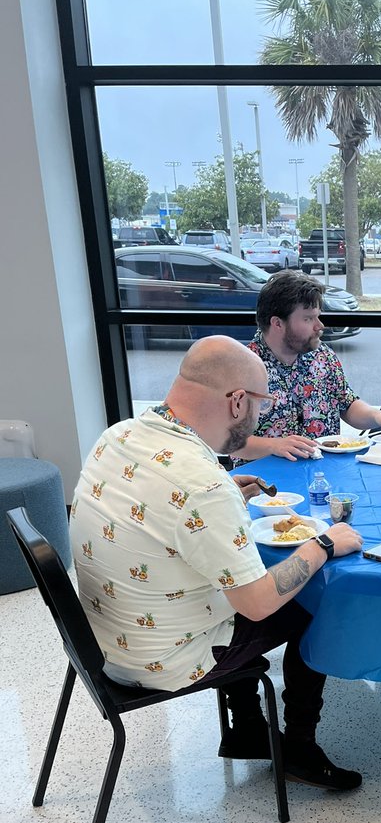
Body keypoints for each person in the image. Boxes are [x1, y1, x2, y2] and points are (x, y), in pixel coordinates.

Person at [69, 335, 364, 791]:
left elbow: (167, 508)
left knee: (223, 579)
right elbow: (258, 603)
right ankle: (301, 748)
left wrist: (225, 489)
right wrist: (323, 544)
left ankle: (247, 726)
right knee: (312, 601)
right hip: (163, 661)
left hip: (99, 644)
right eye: (261, 404)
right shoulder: (202, 486)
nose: (260, 416)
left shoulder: (119, 435)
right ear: (237, 401)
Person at [232, 270, 381, 462]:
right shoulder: (242, 368)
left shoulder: (322, 355)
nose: (320, 326)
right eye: (308, 318)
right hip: (267, 482)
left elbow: (347, 404)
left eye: (318, 316)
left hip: (323, 476)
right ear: (277, 323)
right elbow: (229, 442)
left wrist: (377, 416)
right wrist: (275, 445)